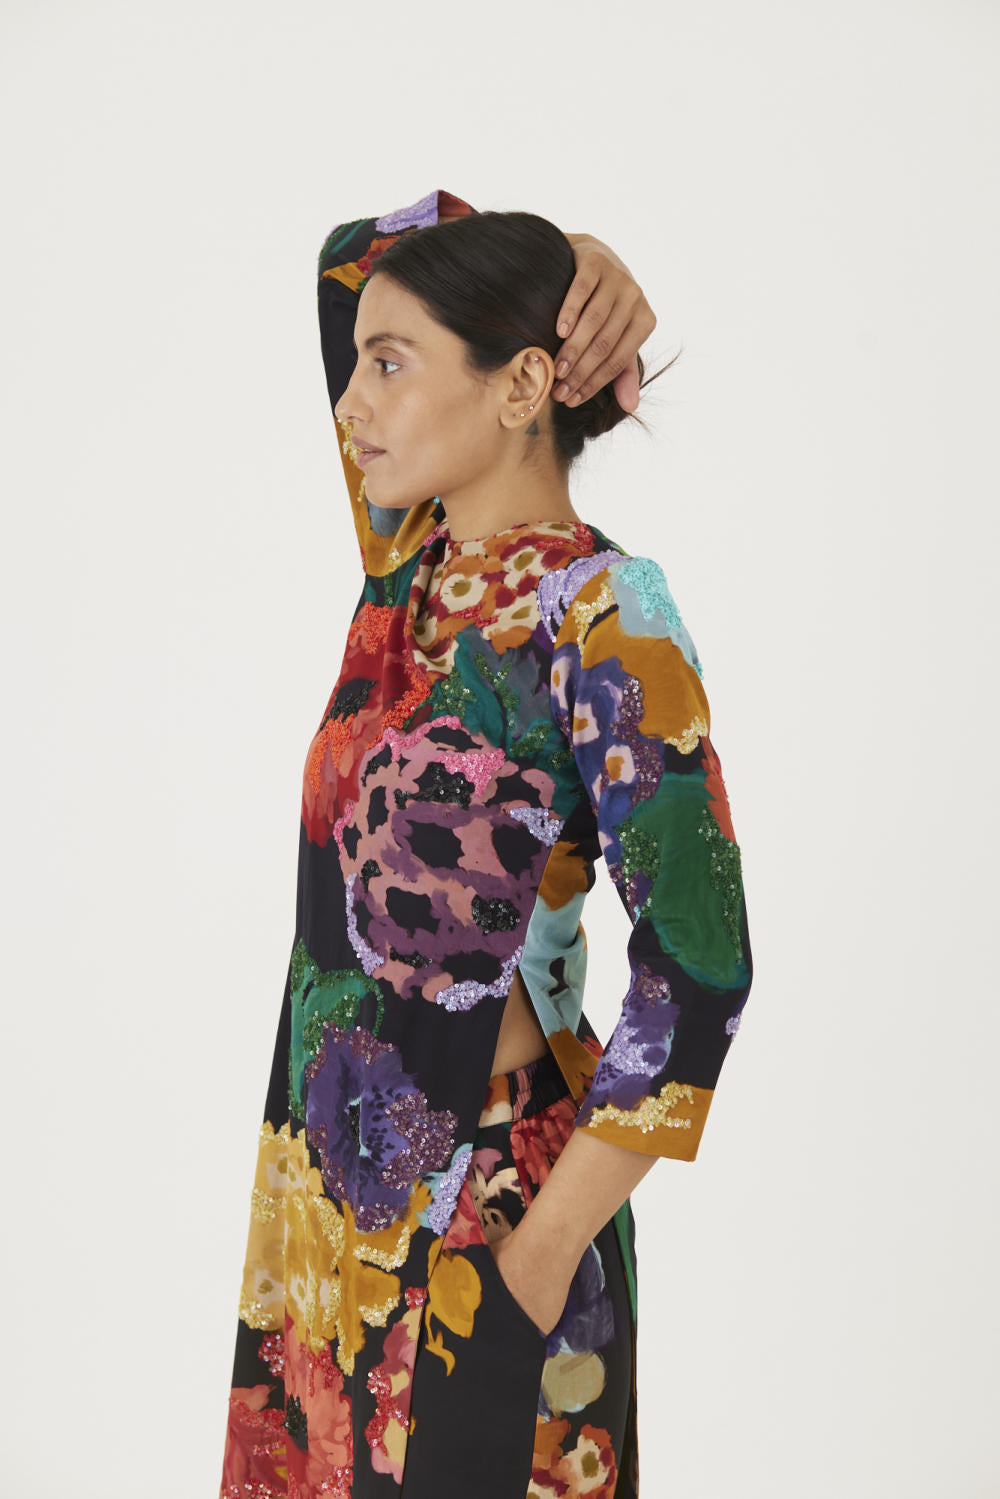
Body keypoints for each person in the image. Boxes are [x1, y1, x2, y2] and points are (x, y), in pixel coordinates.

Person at [220, 187, 753, 1499]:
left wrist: (534, 1267)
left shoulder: (607, 617)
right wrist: (574, 259)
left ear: (521, 387)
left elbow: (699, 966)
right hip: (327, 1225)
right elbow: (349, 257)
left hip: (491, 1229)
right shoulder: (406, 568)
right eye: (359, 366)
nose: (352, 402)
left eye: (391, 366)